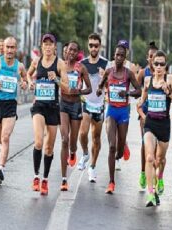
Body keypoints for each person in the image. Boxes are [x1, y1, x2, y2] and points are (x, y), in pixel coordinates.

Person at [137, 50, 172, 206]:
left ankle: (160, 178)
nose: (159, 66)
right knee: (149, 157)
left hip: (164, 126)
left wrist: (168, 92)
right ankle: (150, 193)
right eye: (156, 63)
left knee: (160, 160)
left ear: (166, 66)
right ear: (152, 65)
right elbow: (141, 102)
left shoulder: (170, 80)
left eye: (162, 64)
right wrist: (142, 113)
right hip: (150, 124)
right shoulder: (148, 81)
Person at [26, 33, 69, 195]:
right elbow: (28, 74)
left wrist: (56, 80)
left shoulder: (60, 64)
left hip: (53, 108)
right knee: (38, 141)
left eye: (51, 44)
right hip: (39, 106)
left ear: (54, 47)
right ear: (42, 46)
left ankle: (45, 179)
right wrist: (30, 82)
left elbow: (67, 87)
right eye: (45, 44)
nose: (48, 47)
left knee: (49, 147)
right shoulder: (37, 61)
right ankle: (36, 176)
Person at [96, 44, 141, 194]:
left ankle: (122, 151)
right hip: (111, 112)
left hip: (123, 113)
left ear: (125, 57)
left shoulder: (128, 74)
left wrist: (127, 94)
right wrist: (99, 90)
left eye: (122, 55)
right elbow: (101, 86)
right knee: (111, 146)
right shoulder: (108, 71)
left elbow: (139, 91)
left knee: (119, 151)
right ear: (114, 56)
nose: (119, 58)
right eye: (117, 55)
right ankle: (111, 182)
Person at [0, 37, 27, 184]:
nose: (9, 50)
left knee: (5, 137)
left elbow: (25, 79)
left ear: (16, 49)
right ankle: (2, 149)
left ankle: (1, 169)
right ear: (4, 48)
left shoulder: (19, 66)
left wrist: (24, 84)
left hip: (10, 104)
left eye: (12, 47)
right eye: (7, 47)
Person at [59, 41, 92, 191]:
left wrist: (79, 91)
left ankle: (73, 152)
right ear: (66, 52)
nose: (71, 52)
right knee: (64, 139)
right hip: (63, 105)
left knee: (72, 142)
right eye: (69, 50)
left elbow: (89, 88)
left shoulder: (81, 68)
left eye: (74, 50)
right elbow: (55, 82)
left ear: (77, 52)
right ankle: (64, 179)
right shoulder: (61, 66)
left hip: (76, 106)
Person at [78, 33, 109, 183]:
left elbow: (110, 86)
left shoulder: (106, 64)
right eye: (91, 45)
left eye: (96, 45)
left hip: (99, 105)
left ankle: (92, 166)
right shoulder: (83, 63)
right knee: (83, 132)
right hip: (86, 103)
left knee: (96, 138)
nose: (93, 48)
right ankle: (84, 153)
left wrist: (105, 77)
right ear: (88, 46)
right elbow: (78, 82)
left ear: (100, 46)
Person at [136, 41, 158, 189]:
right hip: (145, 113)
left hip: (158, 114)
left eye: (155, 56)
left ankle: (155, 175)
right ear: (147, 58)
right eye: (150, 56)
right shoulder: (144, 73)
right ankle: (143, 172)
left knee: (156, 148)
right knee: (145, 144)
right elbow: (137, 89)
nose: (152, 59)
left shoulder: (163, 73)